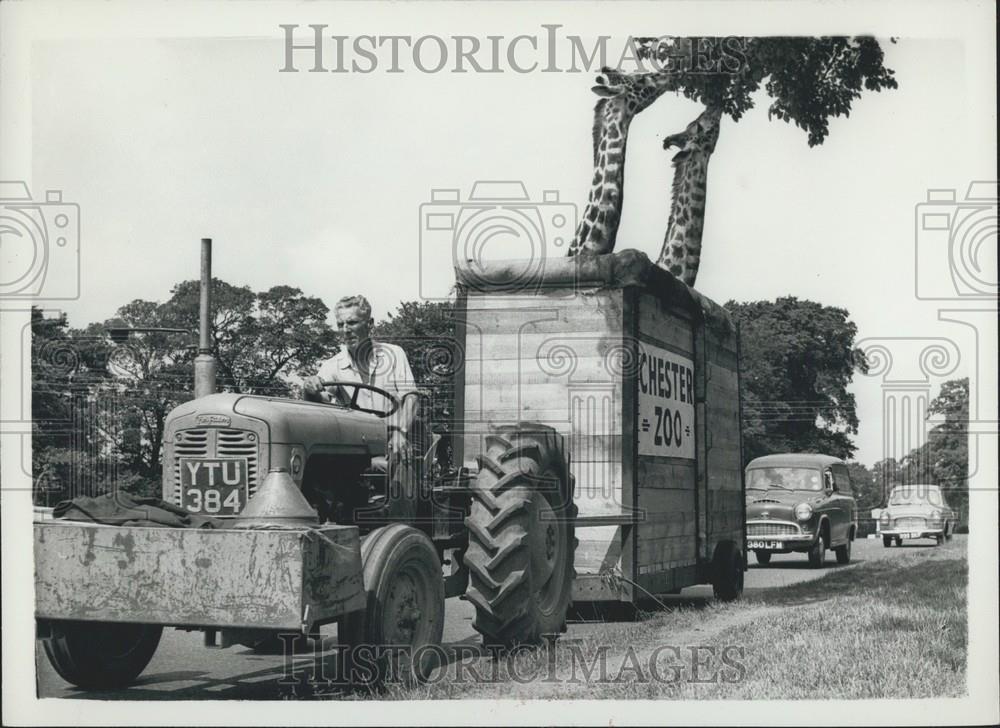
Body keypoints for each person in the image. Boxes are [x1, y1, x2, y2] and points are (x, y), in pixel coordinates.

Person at [303, 294, 419, 472]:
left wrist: (400, 432)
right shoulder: (332, 365)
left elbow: (411, 397)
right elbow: (321, 401)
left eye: (352, 323)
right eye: (341, 325)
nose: (346, 330)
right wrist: (310, 387)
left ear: (370, 324)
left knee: (401, 464)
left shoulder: (394, 354)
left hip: (394, 441)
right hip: (354, 449)